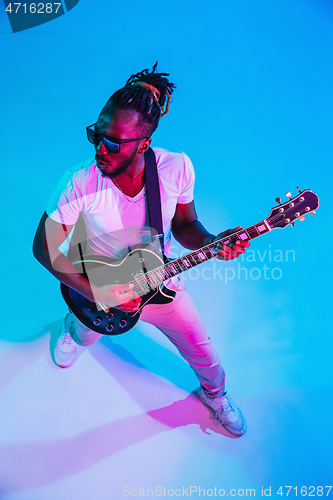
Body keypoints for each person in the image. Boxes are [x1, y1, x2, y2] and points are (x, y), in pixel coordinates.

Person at [33, 63, 250, 437]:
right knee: (86, 333)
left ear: (144, 143)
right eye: (96, 135)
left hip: (157, 277)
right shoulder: (80, 181)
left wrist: (213, 242)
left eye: (113, 142)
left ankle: (215, 395)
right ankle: (74, 326)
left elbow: (185, 226)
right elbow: (43, 246)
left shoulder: (176, 168)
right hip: (98, 281)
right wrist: (98, 293)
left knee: (204, 352)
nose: (101, 149)